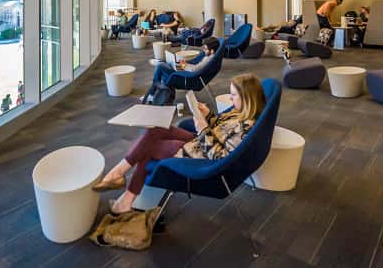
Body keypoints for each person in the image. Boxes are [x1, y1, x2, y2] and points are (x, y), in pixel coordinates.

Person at [93, 73, 267, 214]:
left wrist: (203, 129)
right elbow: (221, 130)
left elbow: (220, 157)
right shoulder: (239, 112)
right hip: (201, 142)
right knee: (155, 130)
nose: (230, 97)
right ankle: (121, 182)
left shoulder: (245, 127)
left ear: (247, 98)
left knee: (148, 149)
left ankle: (120, 185)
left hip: (200, 155)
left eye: (234, 95)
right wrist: (209, 116)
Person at [146, 36, 220, 99]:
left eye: (206, 49)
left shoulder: (209, 59)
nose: (204, 50)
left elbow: (195, 69)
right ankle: (153, 92)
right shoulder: (210, 56)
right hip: (185, 72)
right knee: (161, 66)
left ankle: (153, 91)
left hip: (187, 77)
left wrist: (183, 65)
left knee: (160, 67)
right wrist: (184, 64)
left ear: (212, 51)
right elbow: (195, 66)